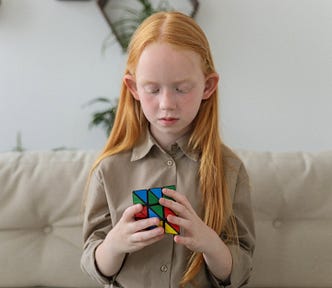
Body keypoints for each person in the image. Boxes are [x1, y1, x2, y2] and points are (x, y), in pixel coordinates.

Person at [81, 11, 255, 288]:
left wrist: (209, 243)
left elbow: (239, 271)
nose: (166, 104)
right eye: (152, 89)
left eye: (181, 89)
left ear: (207, 86)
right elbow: (94, 264)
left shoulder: (230, 169)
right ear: (133, 88)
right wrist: (115, 244)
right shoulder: (109, 168)